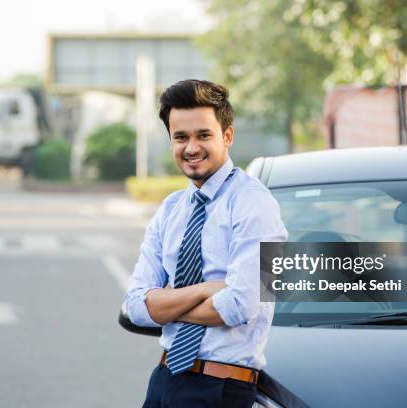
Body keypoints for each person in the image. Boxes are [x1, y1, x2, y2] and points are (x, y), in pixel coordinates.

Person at [124, 79, 288, 407]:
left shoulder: (257, 204)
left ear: (227, 136)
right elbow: (135, 308)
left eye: (203, 135)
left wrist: (165, 306)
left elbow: (241, 305)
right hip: (164, 380)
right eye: (180, 137)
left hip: (220, 388)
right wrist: (205, 289)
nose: (191, 147)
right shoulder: (170, 209)